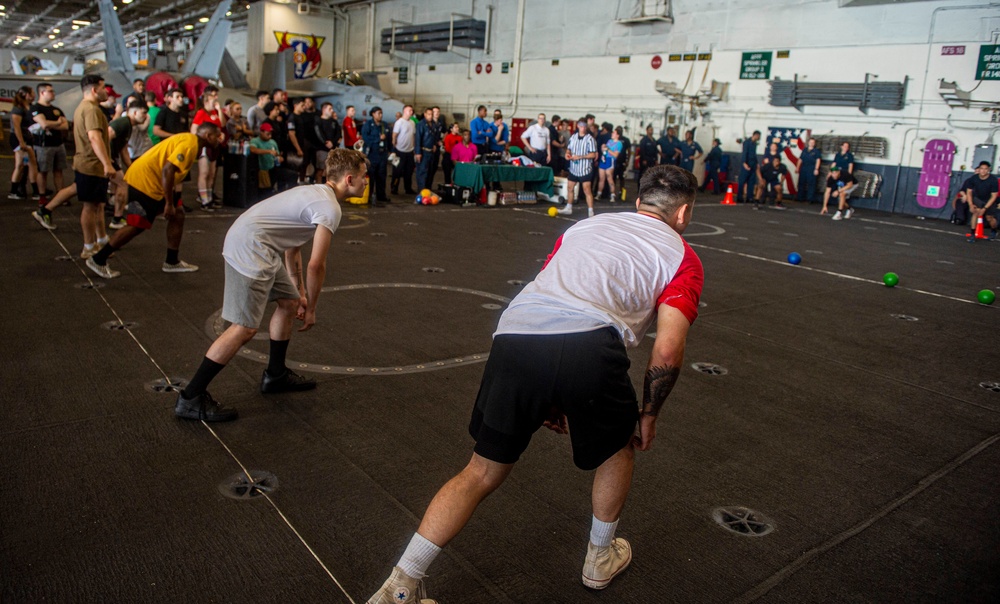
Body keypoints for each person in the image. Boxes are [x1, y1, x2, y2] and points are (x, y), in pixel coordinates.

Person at [366, 164, 704, 604]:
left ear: (637, 200)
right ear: (683, 214)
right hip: (589, 345)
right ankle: (599, 559)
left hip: (515, 335)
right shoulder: (683, 256)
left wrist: (548, 392)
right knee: (618, 447)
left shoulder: (587, 226)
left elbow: (550, 286)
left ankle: (401, 586)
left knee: (480, 471)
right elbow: (667, 351)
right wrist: (649, 414)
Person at [173, 149, 369, 422]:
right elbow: (316, 265)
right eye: (363, 177)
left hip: (259, 244)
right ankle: (190, 397)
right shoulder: (330, 208)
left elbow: (292, 249)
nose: (366, 181)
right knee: (244, 328)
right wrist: (311, 307)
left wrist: (299, 293)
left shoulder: (315, 193)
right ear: (349, 179)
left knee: (288, 304)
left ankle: (275, 375)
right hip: (250, 248)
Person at [84, 123, 223, 279]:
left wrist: (173, 201)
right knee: (136, 226)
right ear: (208, 136)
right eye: (217, 136)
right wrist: (169, 204)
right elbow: (168, 170)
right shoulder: (190, 144)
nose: (219, 139)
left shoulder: (193, 143)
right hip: (144, 182)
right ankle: (99, 259)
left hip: (156, 182)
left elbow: (171, 172)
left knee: (178, 214)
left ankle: (172, 261)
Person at [73, 75, 115, 260]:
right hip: (90, 165)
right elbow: (94, 138)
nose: (106, 91)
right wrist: (107, 163)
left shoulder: (87, 108)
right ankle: (89, 246)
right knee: (90, 207)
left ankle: (100, 241)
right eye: (103, 87)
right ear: (94, 90)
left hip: (92, 165)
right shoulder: (91, 110)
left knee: (97, 205)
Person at [106, 101, 149, 229]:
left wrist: (132, 167)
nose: (146, 116)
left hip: (111, 159)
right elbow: (106, 136)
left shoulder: (129, 126)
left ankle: (46, 209)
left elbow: (123, 149)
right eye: (144, 113)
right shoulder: (123, 123)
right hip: (107, 160)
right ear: (135, 112)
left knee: (75, 188)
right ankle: (116, 219)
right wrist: (106, 160)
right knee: (122, 184)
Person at [30, 83, 69, 209]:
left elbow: (65, 125)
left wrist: (53, 123)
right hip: (43, 145)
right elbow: (43, 124)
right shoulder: (36, 108)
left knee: (59, 170)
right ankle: (42, 196)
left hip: (58, 144)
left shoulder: (56, 109)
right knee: (43, 171)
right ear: (42, 93)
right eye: (50, 91)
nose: (53, 93)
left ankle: (60, 195)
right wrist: (57, 123)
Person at [191, 85, 227, 210]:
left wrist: (219, 111)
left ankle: (209, 197)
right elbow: (194, 130)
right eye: (213, 98)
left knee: (212, 173)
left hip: (215, 146)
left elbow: (222, 125)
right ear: (206, 100)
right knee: (204, 173)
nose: (216, 100)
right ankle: (204, 199)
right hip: (205, 147)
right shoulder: (201, 113)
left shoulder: (215, 113)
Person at [558, 119, 597, 217]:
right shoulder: (573, 137)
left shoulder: (590, 139)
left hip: (585, 168)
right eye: (581, 126)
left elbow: (593, 154)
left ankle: (591, 211)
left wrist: (580, 156)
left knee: (587, 190)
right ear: (578, 126)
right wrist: (567, 154)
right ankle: (569, 207)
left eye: (584, 126)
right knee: (570, 187)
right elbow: (569, 149)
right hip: (574, 168)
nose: (582, 128)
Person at [8, 85, 37, 200]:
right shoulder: (18, 109)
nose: (34, 94)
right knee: (22, 164)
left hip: (27, 137)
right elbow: (16, 127)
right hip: (18, 138)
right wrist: (21, 142)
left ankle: (21, 189)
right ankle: (15, 190)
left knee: (25, 164)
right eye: (32, 92)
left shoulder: (30, 107)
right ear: (26, 95)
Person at [362, 106, 390, 204]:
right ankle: (368, 196)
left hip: (382, 154)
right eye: (378, 113)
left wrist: (391, 151)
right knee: (371, 176)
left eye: (381, 113)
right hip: (372, 155)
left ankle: (381, 196)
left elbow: (389, 139)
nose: (380, 115)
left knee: (382, 176)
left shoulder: (385, 125)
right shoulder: (368, 125)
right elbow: (365, 138)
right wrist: (378, 139)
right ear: (373, 114)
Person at [964, 161, 999, 240]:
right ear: (979, 169)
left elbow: (994, 196)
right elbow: (969, 192)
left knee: (989, 218)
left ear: (989, 170)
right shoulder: (973, 178)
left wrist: (985, 208)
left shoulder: (993, 180)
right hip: (978, 199)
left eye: (985, 169)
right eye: (981, 169)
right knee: (976, 212)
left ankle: (994, 230)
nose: (983, 171)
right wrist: (970, 204)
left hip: (989, 200)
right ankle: (973, 234)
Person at [250, 123, 281, 198]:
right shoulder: (255, 141)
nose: (269, 136)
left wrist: (279, 158)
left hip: (272, 167)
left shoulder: (272, 142)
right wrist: (268, 151)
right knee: (264, 190)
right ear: (261, 132)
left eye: (271, 134)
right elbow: (253, 149)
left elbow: (277, 154)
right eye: (267, 134)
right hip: (261, 169)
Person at [391, 105, 416, 195]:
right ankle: (394, 188)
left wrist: (413, 148)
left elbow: (413, 136)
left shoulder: (412, 123)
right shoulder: (399, 122)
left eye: (412, 110)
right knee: (397, 171)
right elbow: (394, 135)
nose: (411, 112)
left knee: (409, 172)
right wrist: (394, 149)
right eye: (409, 110)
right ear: (404, 111)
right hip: (399, 151)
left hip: (409, 151)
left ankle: (408, 188)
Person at [315, 102, 342, 183]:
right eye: (330, 109)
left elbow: (338, 134)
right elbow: (318, 133)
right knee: (320, 170)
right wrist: (325, 142)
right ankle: (319, 187)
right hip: (322, 149)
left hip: (333, 149)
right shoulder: (318, 121)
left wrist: (332, 143)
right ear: (324, 109)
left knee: (330, 171)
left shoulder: (334, 122)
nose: (332, 110)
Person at [414, 107, 437, 191]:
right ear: (425, 114)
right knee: (422, 172)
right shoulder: (421, 124)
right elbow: (418, 139)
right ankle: (422, 191)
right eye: (429, 114)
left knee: (430, 172)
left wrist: (434, 144)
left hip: (431, 152)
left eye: (432, 114)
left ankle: (428, 190)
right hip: (423, 151)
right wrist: (418, 152)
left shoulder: (434, 124)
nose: (430, 116)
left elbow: (434, 136)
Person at [596, 128, 622, 202]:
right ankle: (599, 193)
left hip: (610, 160)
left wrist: (608, 149)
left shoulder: (619, 143)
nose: (612, 134)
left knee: (609, 177)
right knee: (601, 178)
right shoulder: (609, 141)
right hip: (603, 159)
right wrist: (603, 148)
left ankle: (612, 194)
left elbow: (616, 155)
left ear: (617, 135)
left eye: (614, 133)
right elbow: (604, 150)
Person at [796, 138, 822, 203]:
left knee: (811, 184)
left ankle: (810, 199)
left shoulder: (816, 151)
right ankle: (800, 198)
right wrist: (797, 167)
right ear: (808, 142)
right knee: (801, 183)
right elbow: (800, 159)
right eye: (811, 142)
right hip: (804, 168)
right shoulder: (804, 150)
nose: (812, 143)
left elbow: (818, 160)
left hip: (812, 168)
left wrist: (816, 169)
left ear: (814, 143)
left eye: (813, 142)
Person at [737, 131, 760, 203]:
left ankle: (749, 197)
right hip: (747, 164)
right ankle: (739, 197)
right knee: (742, 181)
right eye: (758, 136)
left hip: (753, 165)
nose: (759, 138)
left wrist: (756, 163)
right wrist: (744, 163)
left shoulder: (755, 144)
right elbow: (744, 153)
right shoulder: (747, 142)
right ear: (755, 135)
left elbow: (754, 154)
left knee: (751, 182)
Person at [613, 126, 631, 200]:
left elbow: (629, 151)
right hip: (614, 161)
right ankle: (612, 192)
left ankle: (621, 193)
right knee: (613, 178)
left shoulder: (626, 140)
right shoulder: (613, 139)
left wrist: (627, 161)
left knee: (622, 178)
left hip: (622, 161)